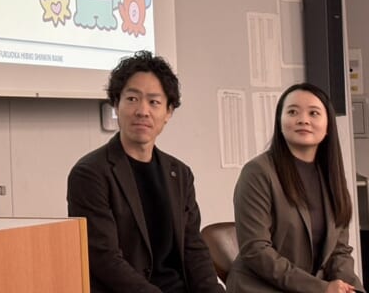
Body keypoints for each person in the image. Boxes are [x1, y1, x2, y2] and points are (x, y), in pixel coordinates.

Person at [67, 50, 220, 293]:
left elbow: (194, 249)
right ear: (116, 104)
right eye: (132, 99)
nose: (142, 111)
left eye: (154, 102)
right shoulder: (90, 174)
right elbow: (104, 259)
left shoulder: (180, 174)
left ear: (168, 112)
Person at [228, 83, 363, 293]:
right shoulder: (258, 172)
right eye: (292, 112)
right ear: (279, 122)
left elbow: (339, 252)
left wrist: (353, 290)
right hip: (260, 287)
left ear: (328, 126)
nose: (303, 120)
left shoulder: (332, 176)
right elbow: (256, 250)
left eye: (314, 113)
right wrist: (321, 289)